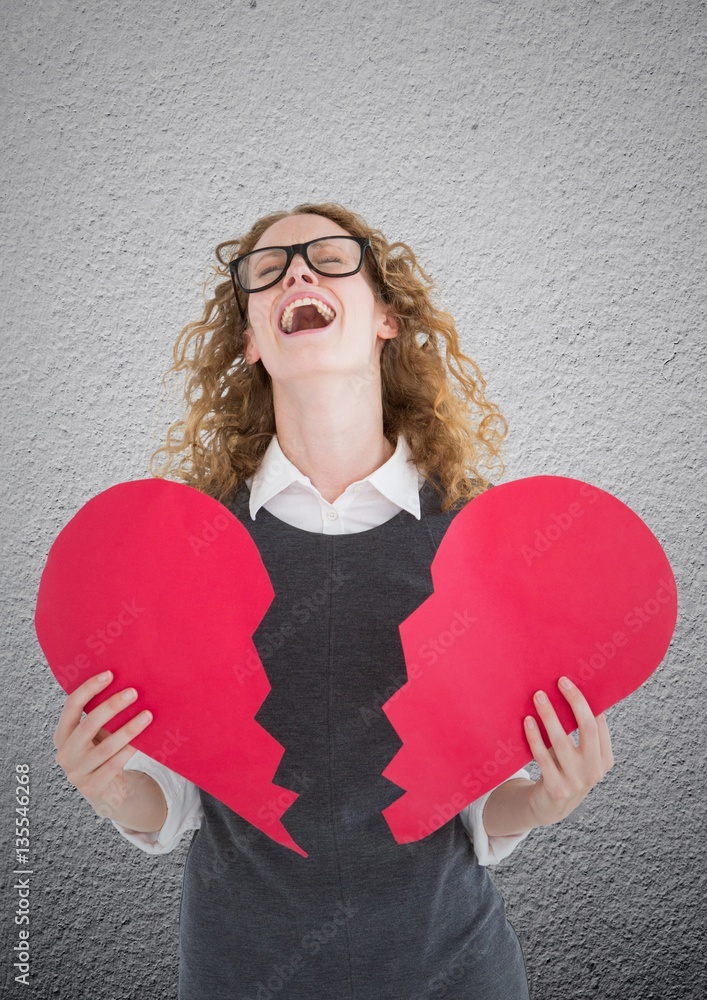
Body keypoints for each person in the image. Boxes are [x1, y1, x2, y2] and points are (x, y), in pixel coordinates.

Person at [53, 202, 614, 999]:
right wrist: (111, 789)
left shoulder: (471, 546)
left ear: (386, 316)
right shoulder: (187, 549)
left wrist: (541, 801)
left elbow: (470, 804)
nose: (298, 273)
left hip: (451, 973)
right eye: (268, 270)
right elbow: (176, 801)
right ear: (249, 340)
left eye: (327, 257)